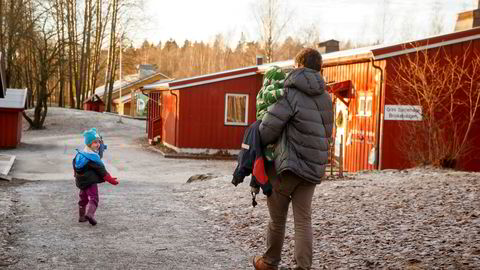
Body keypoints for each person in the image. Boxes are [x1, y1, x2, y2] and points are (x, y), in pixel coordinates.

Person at [252, 48, 334, 270]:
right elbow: (327, 133)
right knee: (303, 220)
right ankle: (302, 267)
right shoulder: (327, 98)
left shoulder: (289, 94)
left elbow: (268, 129)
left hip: (286, 168)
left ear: (298, 66)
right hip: (312, 168)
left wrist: (256, 139)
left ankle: (269, 262)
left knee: (277, 219)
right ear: (319, 69)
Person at [232, 66, 287, 204]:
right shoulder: (266, 90)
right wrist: (285, 90)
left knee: (257, 149)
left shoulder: (266, 88)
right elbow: (271, 96)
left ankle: (255, 182)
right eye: (279, 81)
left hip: (268, 122)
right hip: (265, 121)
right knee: (263, 148)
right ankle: (266, 161)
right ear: (273, 81)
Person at [72, 128, 119, 226]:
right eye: (95, 142)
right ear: (89, 144)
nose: (98, 144)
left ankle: (81, 216)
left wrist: (75, 175)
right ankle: (90, 215)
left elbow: (74, 165)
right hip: (90, 182)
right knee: (94, 198)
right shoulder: (92, 157)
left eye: (99, 142)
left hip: (81, 181)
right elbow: (102, 170)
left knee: (83, 198)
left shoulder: (81, 154)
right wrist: (110, 180)